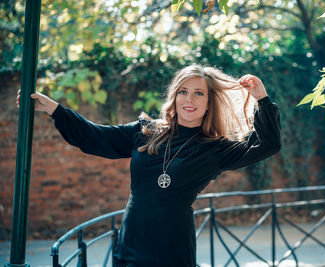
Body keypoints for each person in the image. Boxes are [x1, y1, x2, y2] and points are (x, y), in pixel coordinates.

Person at [17, 64, 281, 267]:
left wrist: (262, 99)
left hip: (172, 246)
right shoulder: (145, 131)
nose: (189, 100)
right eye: (183, 92)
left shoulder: (215, 148)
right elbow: (97, 137)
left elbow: (267, 145)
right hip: (132, 240)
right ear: (174, 96)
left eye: (198, 93)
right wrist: (54, 109)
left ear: (209, 102)